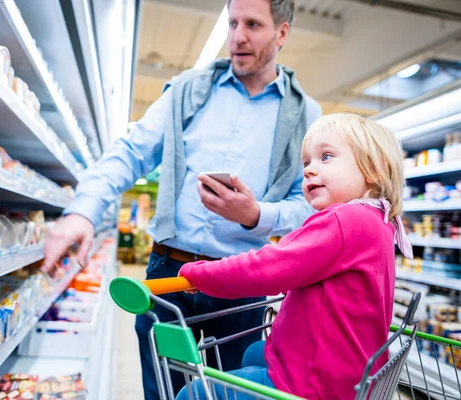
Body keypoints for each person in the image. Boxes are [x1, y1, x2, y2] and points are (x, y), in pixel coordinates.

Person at [41, 0, 321, 398]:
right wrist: (83, 212)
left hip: (241, 284)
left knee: (232, 394)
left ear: (282, 33)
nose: (238, 36)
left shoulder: (304, 114)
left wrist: (256, 214)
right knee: (163, 394)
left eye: (253, 25)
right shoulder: (189, 90)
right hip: (169, 275)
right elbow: (132, 151)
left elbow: (307, 203)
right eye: (233, 23)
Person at [176, 113, 414, 399]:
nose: (310, 170)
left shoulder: (345, 219)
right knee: (255, 351)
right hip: (349, 375)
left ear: (374, 169)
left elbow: (269, 266)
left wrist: (198, 274)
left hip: (314, 385)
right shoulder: (378, 221)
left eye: (326, 157)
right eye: (307, 162)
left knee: (194, 394)